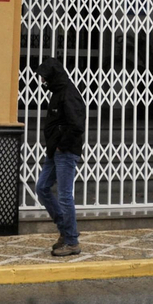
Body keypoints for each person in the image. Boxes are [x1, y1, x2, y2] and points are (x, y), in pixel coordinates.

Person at [34, 57, 86, 257]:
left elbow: (77, 125)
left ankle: (72, 241)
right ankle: (65, 229)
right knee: (42, 187)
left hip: (64, 152)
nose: (42, 81)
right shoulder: (58, 92)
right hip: (55, 151)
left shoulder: (68, 93)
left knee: (65, 196)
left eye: (44, 77)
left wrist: (61, 146)